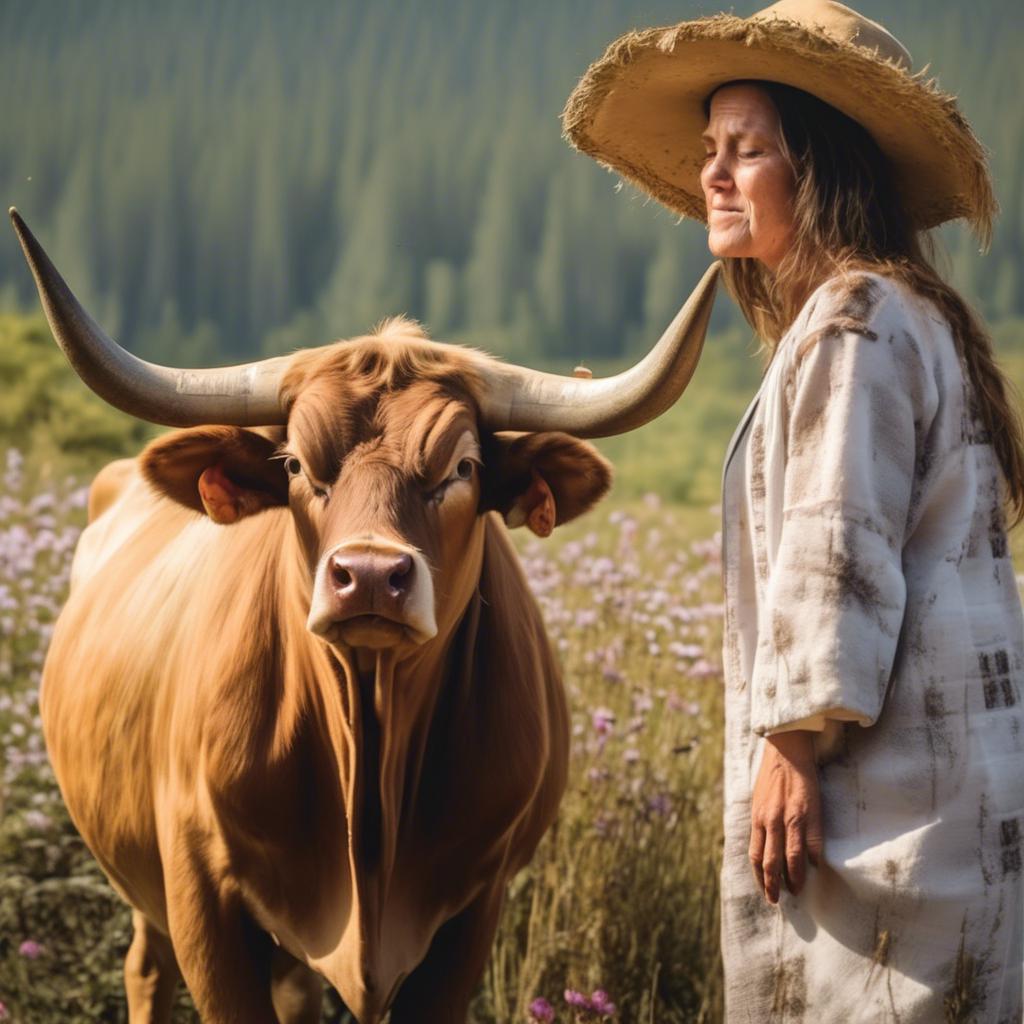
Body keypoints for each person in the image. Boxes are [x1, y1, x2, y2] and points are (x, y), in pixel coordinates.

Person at [563, 1, 1024, 1019]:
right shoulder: (894, 310)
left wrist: (792, 741)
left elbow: (838, 551)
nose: (712, 177)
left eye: (748, 151)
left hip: (884, 814)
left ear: (817, 171)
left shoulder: (851, 320)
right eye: (710, 150)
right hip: (940, 799)